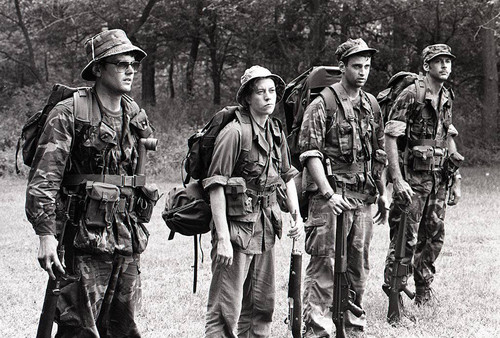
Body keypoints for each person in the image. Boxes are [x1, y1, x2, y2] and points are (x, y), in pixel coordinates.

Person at [26, 29, 156, 337]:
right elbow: (44, 179)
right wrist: (46, 235)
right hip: (82, 239)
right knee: (79, 329)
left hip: (125, 240)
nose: (130, 70)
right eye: (121, 63)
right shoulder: (70, 112)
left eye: (133, 64)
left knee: (123, 328)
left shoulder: (134, 114)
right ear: (98, 69)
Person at [203, 65, 304, 338]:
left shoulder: (275, 131)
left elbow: (287, 175)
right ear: (248, 98)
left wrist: (296, 217)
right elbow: (216, 186)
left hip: (265, 229)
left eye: (272, 91)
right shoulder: (234, 133)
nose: (268, 97)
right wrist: (222, 237)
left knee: (262, 305)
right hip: (236, 230)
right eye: (261, 92)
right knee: (226, 309)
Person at [297, 38, 388, 337]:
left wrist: (383, 193)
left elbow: (379, 153)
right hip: (330, 200)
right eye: (356, 66)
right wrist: (328, 193)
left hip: (363, 199)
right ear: (342, 67)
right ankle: (317, 330)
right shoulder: (323, 103)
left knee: (358, 269)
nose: (362, 72)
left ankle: (352, 327)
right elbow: (310, 153)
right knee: (324, 266)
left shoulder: (372, 104)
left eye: (367, 67)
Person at [383, 44, 463, 306]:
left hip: (439, 179)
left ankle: (423, 288)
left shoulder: (447, 96)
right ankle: (395, 288)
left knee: (434, 236)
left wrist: (456, 180)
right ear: (427, 65)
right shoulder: (411, 94)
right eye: (438, 61)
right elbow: (391, 136)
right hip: (412, 180)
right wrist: (397, 179)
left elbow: (448, 135)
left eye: (447, 61)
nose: (444, 65)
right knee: (405, 236)